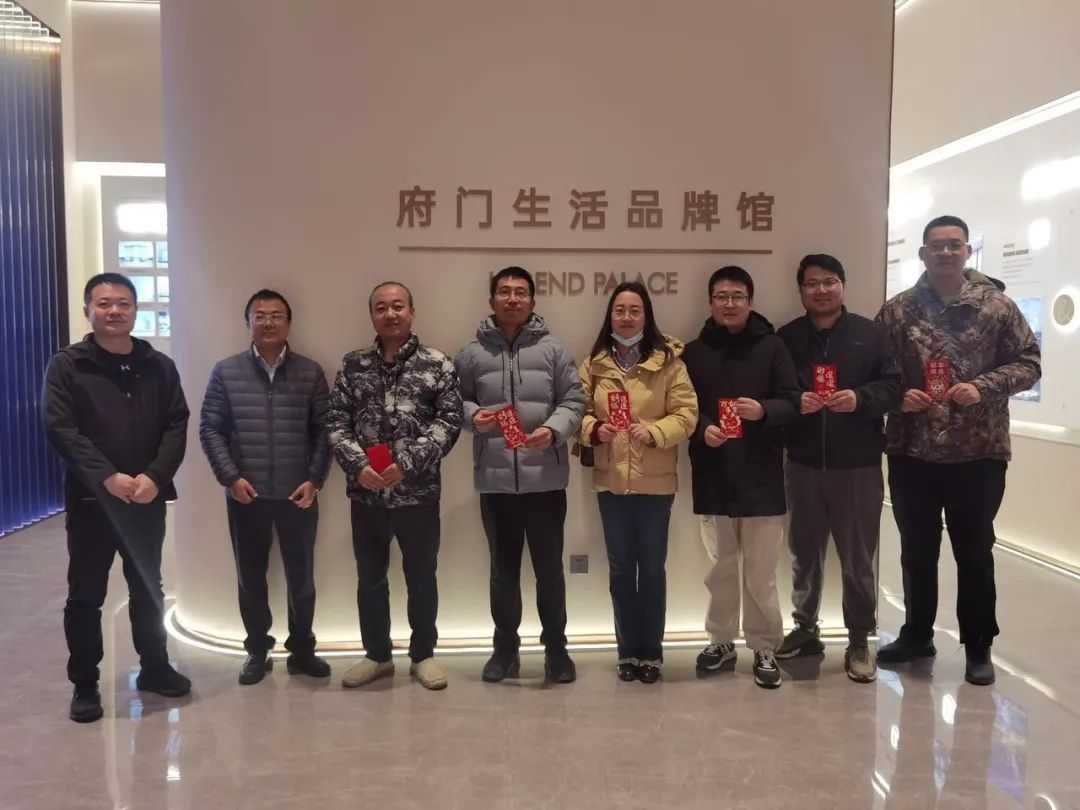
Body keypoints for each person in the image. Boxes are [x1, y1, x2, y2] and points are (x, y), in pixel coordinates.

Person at [875, 215, 1040, 686]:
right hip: (912, 451)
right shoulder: (898, 311)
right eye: (937, 245)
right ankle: (916, 634)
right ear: (923, 254)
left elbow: (1029, 362)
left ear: (968, 251)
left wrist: (983, 387)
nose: (946, 252)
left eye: (954, 245)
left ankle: (979, 645)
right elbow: (874, 370)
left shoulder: (996, 306)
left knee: (974, 552)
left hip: (978, 454)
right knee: (916, 552)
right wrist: (898, 395)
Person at [42, 272, 191, 723]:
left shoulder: (158, 365)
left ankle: (155, 666)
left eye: (123, 303)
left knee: (148, 587)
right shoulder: (68, 365)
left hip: (146, 498)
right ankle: (85, 683)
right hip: (92, 502)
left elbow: (177, 423)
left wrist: (155, 476)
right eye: (104, 303)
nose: (114, 311)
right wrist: (106, 477)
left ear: (135, 310)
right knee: (86, 594)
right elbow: (61, 427)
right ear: (87, 310)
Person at [326, 282, 463, 690]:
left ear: (412, 311)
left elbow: (449, 422)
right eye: (381, 307)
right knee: (370, 578)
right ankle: (377, 655)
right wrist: (358, 466)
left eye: (398, 306)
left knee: (421, 576)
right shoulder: (354, 365)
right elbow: (336, 421)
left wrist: (406, 465)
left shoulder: (437, 364)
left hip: (418, 495)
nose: (390, 314)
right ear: (372, 315)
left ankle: (423, 655)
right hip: (366, 495)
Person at [455, 267, 585, 684]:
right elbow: (455, 401)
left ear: (532, 300)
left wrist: (554, 430)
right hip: (495, 483)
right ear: (491, 299)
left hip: (545, 480)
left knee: (549, 572)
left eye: (521, 292)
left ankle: (557, 652)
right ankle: (505, 651)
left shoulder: (554, 350)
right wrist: (474, 417)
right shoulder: (471, 353)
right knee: (503, 572)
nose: (513, 299)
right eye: (505, 292)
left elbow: (574, 400)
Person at [775, 254, 902, 682]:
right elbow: (776, 390)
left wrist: (860, 398)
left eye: (829, 282)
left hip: (858, 466)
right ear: (801, 291)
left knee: (858, 558)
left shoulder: (871, 334)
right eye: (812, 284)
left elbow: (894, 388)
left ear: (842, 285)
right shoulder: (788, 337)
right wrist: (797, 400)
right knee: (803, 553)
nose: (821, 290)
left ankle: (859, 640)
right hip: (803, 463)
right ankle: (805, 628)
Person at [199, 289, 333, 685]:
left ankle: (302, 649)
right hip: (247, 494)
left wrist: (314, 479)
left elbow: (325, 431)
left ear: (289, 323)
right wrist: (230, 477)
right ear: (248, 323)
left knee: (301, 578)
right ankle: (257, 649)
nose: (268, 322)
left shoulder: (310, 372)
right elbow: (210, 428)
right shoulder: (226, 371)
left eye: (277, 315)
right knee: (251, 577)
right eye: (260, 315)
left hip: (298, 494)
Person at [683, 266, 800, 689]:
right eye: (721, 296)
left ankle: (765, 645)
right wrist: (702, 428)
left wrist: (764, 410)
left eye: (737, 297)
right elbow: (682, 407)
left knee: (761, 572)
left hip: (761, 476)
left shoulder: (772, 347)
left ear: (750, 302)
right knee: (720, 568)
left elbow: (794, 401)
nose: (729, 304)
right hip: (713, 474)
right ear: (710, 302)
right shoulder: (693, 352)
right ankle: (720, 641)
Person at [578, 281, 697, 683]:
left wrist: (655, 431)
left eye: (634, 311)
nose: (626, 318)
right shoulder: (594, 364)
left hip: (655, 484)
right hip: (611, 483)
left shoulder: (669, 363)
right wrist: (595, 429)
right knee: (620, 570)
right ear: (610, 316)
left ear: (646, 317)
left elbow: (686, 414)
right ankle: (627, 652)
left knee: (652, 570)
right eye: (620, 310)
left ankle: (652, 654)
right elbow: (576, 411)